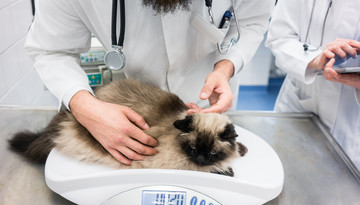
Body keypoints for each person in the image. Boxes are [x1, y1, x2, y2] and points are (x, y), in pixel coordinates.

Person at [25, 0, 273, 165]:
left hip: (209, 107)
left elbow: (251, 21)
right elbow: (51, 50)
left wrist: (225, 66)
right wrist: (84, 107)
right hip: (134, 113)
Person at [266, 0, 360, 169]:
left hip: (352, 126)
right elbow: (279, 37)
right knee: (286, 173)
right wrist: (315, 59)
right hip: (299, 104)